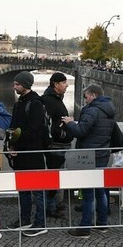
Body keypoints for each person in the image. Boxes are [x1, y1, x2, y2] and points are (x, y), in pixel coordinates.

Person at [62, 84, 115, 238]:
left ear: (93, 95)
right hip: (103, 154)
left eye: (86, 97)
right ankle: (102, 223)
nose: (85, 100)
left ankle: (85, 227)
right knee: (100, 190)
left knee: (88, 193)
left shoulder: (93, 110)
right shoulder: (109, 109)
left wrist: (70, 122)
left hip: (89, 156)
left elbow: (81, 131)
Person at [7, 71, 49, 236]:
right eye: (14, 84)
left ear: (25, 85)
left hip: (33, 153)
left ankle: (40, 223)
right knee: (23, 189)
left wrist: (18, 140)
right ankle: (24, 219)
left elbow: (34, 130)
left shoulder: (35, 103)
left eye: (17, 84)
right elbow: (13, 127)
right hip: (20, 153)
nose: (14, 87)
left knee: (38, 191)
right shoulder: (19, 103)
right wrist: (11, 147)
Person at [41, 72, 74, 217]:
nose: (67, 85)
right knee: (54, 176)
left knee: (56, 175)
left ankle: (55, 205)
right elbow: (50, 125)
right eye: (64, 83)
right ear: (56, 84)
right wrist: (65, 134)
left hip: (59, 144)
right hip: (55, 145)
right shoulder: (50, 100)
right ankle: (51, 207)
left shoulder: (55, 98)